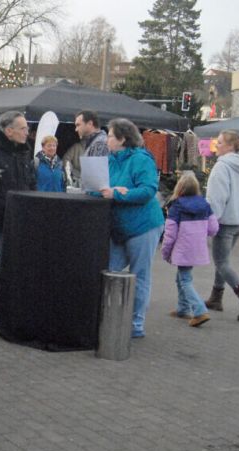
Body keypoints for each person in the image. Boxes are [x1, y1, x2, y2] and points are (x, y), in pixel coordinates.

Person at [99, 118, 165, 339]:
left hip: (143, 226)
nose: (106, 139)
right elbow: (100, 187)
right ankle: (111, 318)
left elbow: (147, 191)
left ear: (122, 138)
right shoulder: (109, 160)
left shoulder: (141, 159)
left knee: (139, 275)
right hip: (118, 228)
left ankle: (136, 324)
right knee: (111, 271)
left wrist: (117, 193)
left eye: (109, 135)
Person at [0, 110, 37, 326]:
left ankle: (9, 307)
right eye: (23, 128)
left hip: (21, 221)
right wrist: (5, 208)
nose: (26, 132)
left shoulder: (24, 153)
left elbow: (31, 182)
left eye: (26, 128)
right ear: (9, 130)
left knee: (14, 268)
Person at [161, 170, 218, 327]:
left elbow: (170, 234)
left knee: (185, 279)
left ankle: (200, 311)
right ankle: (183, 308)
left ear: (179, 188)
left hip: (182, 248)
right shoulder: (205, 205)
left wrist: (165, 252)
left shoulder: (176, 206)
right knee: (181, 277)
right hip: (197, 248)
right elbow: (213, 228)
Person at [204, 130, 239, 319]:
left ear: (229, 146)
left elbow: (216, 197)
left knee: (222, 262)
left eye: (219, 142)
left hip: (225, 221)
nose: (215, 145)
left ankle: (234, 293)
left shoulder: (221, 167)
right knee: (224, 260)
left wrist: (212, 220)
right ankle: (216, 297)